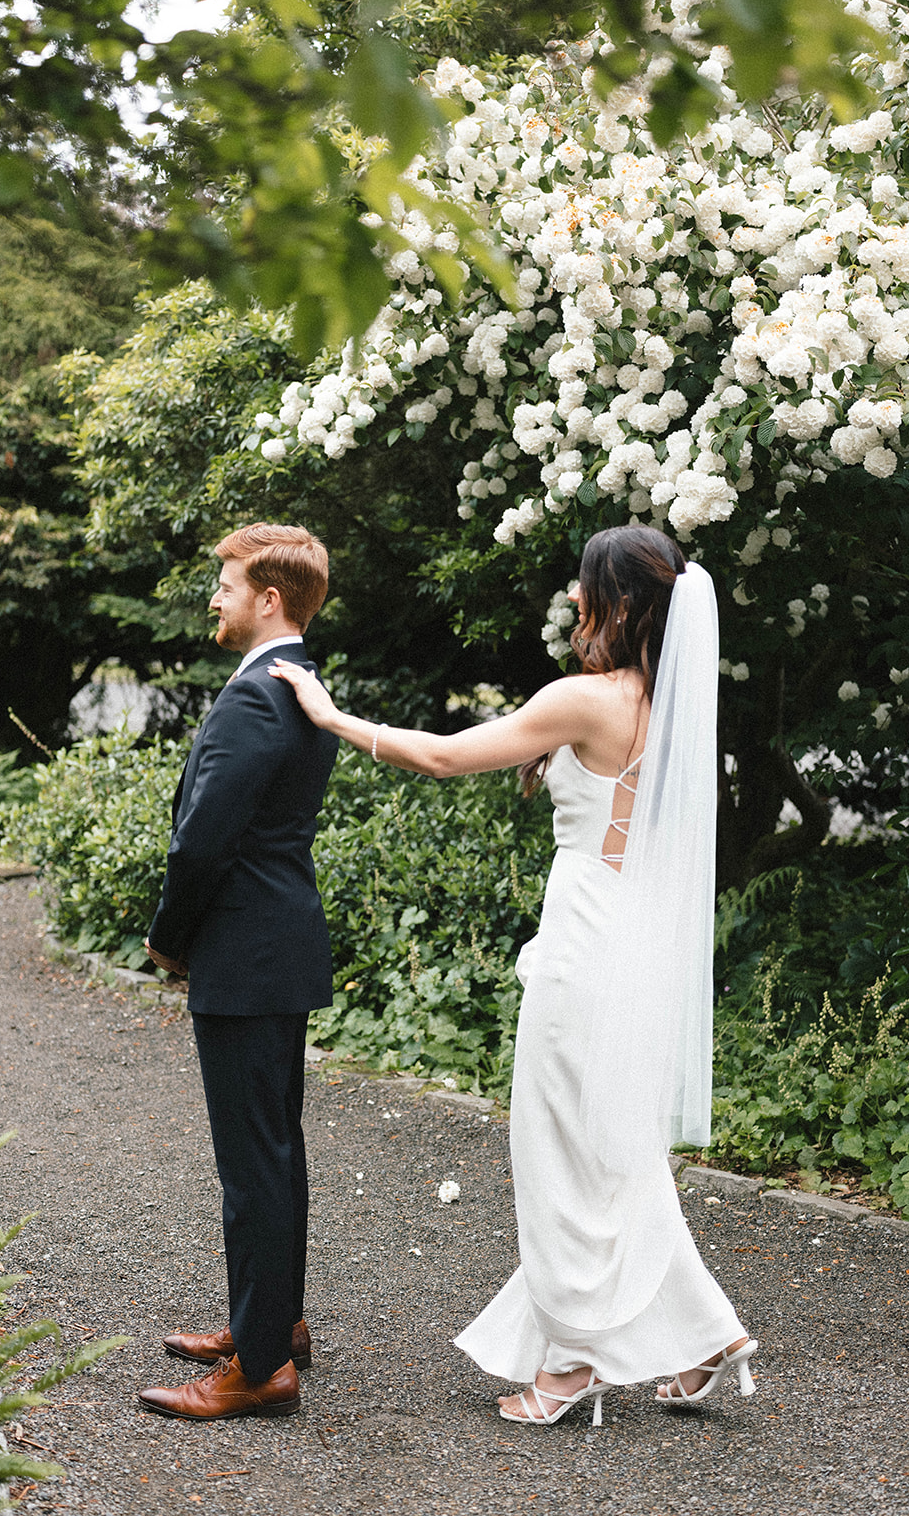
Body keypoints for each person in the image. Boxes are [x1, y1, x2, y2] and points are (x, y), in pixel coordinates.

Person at [270, 525, 757, 1425]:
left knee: (558, 1153)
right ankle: (700, 1339)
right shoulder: (672, 707)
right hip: (636, 944)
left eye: (582, 588)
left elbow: (451, 756)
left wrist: (333, 718)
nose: (573, 602)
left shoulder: (589, 700)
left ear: (613, 601)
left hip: (584, 950)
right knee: (614, 1149)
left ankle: (571, 1367)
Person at [137, 523, 339, 1423]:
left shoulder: (260, 695)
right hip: (275, 948)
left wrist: (168, 938)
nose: (213, 599)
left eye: (225, 585)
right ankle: (272, 1322)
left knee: (252, 1161)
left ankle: (259, 1370)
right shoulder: (294, 683)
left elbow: (204, 839)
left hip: (246, 952)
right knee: (273, 1151)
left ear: (269, 599)